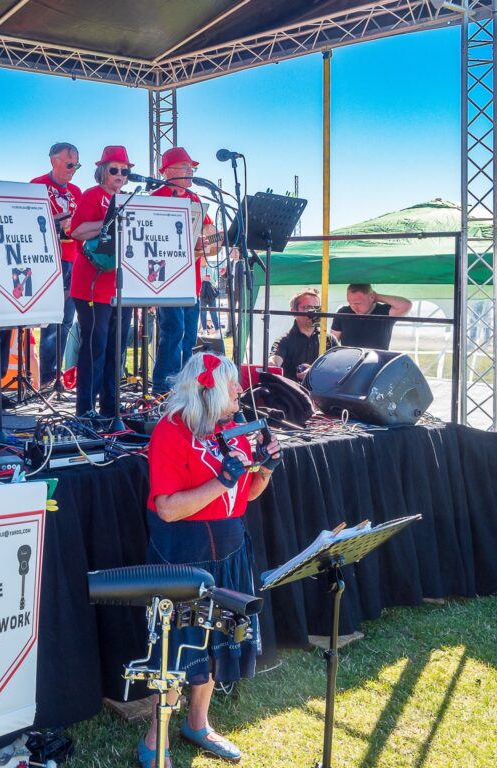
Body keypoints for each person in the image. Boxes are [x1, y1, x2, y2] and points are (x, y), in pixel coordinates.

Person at [142, 353, 281, 767]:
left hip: (231, 546)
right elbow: (167, 509)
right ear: (209, 390)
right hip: (183, 552)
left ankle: (198, 723)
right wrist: (220, 480)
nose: (240, 390)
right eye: (232, 384)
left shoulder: (233, 429)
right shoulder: (170, 432)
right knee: (176, 649)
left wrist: (265, 471)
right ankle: (155, 739)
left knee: (219, 638)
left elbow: (245, 496)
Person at [68, 145, 134, 420]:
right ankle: (86, 409)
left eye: (125, 170)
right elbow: (77, 230)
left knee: (116, 349)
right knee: (95, 346)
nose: (120, 174)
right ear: (102, 171)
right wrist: (109, 222)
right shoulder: (92, 195)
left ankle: (110, 407)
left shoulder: (130, 199)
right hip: (92, 285)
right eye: (114, 169)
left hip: (121, 286)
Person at [150, 147, 218, 395]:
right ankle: (164, 386)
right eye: (185, 167)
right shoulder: (156, 197)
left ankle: (183, 385)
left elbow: (210, 238)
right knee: (173, 331)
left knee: (189, 335)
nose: (191, 171)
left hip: (192, 281)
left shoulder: (196, 200)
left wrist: (204, 243)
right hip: (167, 281)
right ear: (167, 171)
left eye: (192, 168)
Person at [33, 142, 83, 385]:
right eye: (69, 164)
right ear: (53, 160)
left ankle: (57, 379)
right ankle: (47, 379)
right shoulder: (38, 185)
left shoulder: (76, 191)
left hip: (74, 260)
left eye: (76, 165)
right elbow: (29, 221)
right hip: (49, 261)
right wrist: (58, 221)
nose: (73, 170)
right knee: (51, 322)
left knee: (65, 321)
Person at [269, 288, 337, 382]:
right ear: (293, 311)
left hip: (321, 394)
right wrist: (271, 364)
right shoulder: (285, 340)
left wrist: (314, 371)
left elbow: (340, 367)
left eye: (316, 308)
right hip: (293, 394)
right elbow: (274, 361)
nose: (313, 312)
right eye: (307, 308)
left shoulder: (329, 339)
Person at [330, 283, 411, 350]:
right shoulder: (343, 313)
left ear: (371, 297)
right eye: (350, 303)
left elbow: (406, 305)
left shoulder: (385, 312)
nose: (353, 307)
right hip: (350, 362)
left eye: (358, 303)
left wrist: (377, 297)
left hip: (378, 363)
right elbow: (332, 341)